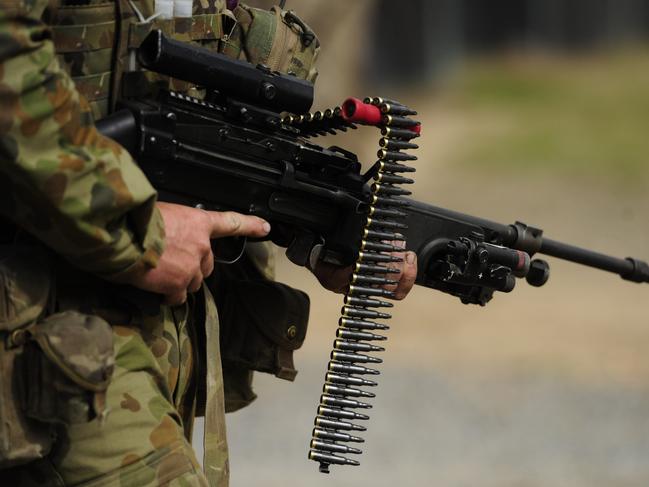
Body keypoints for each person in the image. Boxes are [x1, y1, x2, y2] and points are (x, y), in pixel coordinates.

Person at [0, 1, 417, 486]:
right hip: (46, 318)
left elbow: (229, 117)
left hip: (152, 327)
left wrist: (323, 233)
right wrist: (135, 228)